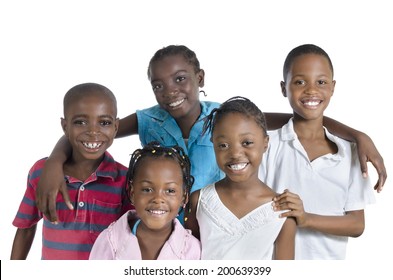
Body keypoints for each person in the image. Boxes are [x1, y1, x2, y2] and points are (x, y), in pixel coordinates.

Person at [36, 45, 387, 224]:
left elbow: (292, 117)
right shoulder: (147, 120)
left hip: (215, 222)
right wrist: (54, 162)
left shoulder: (223, 117)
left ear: (199, 78)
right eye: (158, 85)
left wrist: (357, 134)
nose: (170, 90)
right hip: (161, 223)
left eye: (180, 79)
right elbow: (97, 131)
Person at [260, 44, 376, 259]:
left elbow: (357, 224)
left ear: (332, 87)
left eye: (321, 82)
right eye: (299, 82)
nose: (311, 90)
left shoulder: (350, 152)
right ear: (284, 88)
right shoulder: (267, 146)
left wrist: (307, 218)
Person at [11, 83, 132, 260]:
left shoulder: (124, 179)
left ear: (115, 126)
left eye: (104, 122)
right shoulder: (41, 173)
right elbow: (25, 228)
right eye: (80, 122)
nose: (93, 131)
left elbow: (133, 237)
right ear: (65, 126)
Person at [185, 96, 296, 259]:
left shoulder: (283, 211)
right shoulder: (198, 201)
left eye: (247, 143)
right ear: (213, 144)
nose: (235, 154)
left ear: (265, 143)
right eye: (223, 145)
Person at [89, 142, 201, 260]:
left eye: (170, 191)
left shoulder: (192, 249)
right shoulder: (109, 241)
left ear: (184, 196)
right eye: (147, 189)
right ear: (132, 193)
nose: (158, 199)